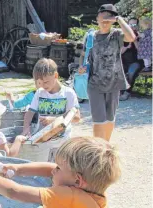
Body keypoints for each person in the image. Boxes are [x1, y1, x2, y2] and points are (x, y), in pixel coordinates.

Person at [78, 4, 136, 141]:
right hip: (95, 83)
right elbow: (82, 55)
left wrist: (120, 20)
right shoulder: (90, 36)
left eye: (109, 17)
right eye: (102, 16)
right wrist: (81, 67)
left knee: (110, 118)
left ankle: (106, 144)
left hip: (114, 83)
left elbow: (131, 37)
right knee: (99, 118)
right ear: (97, 18)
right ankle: (99, 148)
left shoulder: (116, 35)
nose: (105, 20)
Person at [22, 58, 81, 137]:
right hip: (42, 138)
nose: (43, 85)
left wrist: (55, 119)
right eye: (40, 83)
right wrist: (26, 128)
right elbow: (29, 113)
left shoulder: (68, 93)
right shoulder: (40, 93)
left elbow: (77, 117)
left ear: (56, 76)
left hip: (62, 138)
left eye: (46, 82)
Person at [120, 17, 144, 101]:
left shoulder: (141, 36)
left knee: (131, 73)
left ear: (137, 25)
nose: (132, 26)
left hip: (136, 60)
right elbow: (120, 52)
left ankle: (127, 92)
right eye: (130, 25)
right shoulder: (122, 36)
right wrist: (127, 47)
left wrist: (134, 40)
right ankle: (119, 91)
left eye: (134, 24)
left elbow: (142, 51)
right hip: (124, 60)